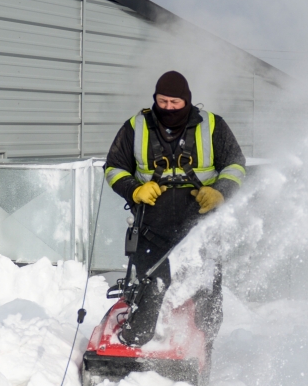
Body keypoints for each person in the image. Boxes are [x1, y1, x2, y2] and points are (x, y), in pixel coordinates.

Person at [102, 70, 246, 347]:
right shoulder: (136, 125)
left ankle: (205, 345)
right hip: (151, 224)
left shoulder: (213, 125)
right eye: (162, 101)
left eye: (175, 103)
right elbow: (113, 167)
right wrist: (134, 189)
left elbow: (236, 164)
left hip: (200, 223)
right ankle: (137, 342)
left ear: (187, 100)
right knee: (150, 285)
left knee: (206, 285)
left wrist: (220, 192)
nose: (168, 107)